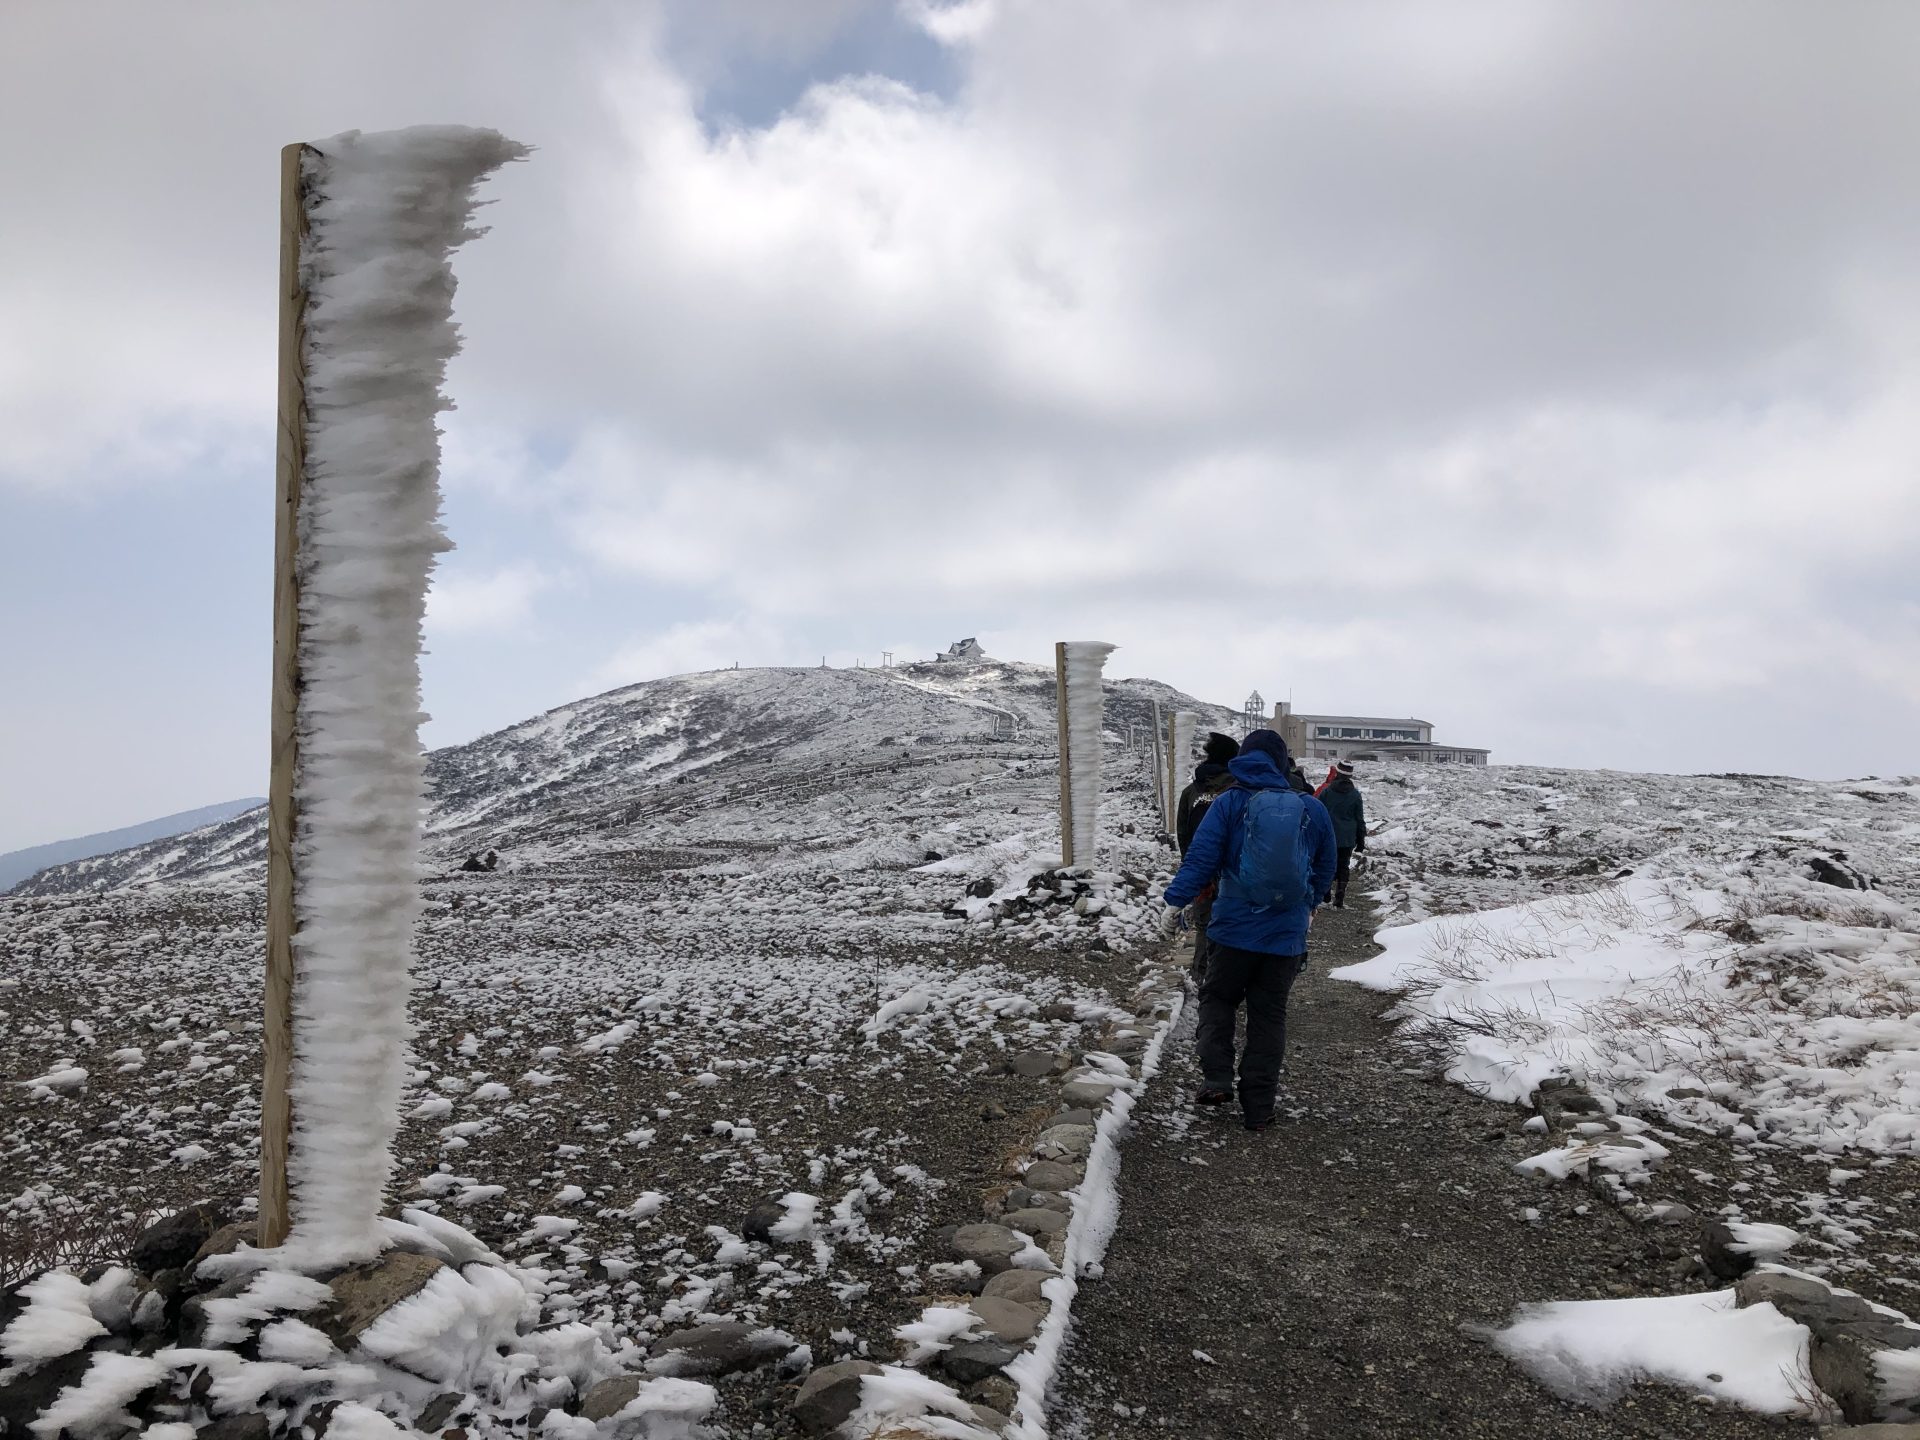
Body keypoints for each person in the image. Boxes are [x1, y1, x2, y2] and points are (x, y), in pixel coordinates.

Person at [1159, 729, 1336, 1131]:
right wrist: (1308, 903)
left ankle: (1217, 1077)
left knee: (1219, 998)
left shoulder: (1229, 803)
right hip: (1286, 934)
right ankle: (1259, 1107)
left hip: (1233, 928)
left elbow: (1201, 859)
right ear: (1279, 762)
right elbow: (1325, 866)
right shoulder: (1312, 808)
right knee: (1268, 1015)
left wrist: (1175, 900)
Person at [1174, 733, 1240, 983]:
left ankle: (1201, 979)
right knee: (1231, 926)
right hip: (1233, 873)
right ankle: (1226, 980)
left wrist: (1192, 872)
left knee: (1203, 927)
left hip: (1201, 874)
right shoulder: (1237, 790)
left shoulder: (1191, 791)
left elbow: (1182, 834)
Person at [1318, 760, 1366, 908]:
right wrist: (1361, 840)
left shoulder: (1326, 792)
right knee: (1343, 866)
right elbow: (1359, 819)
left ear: (1337, 773)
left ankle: (1326, 893)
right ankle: (1340, 896)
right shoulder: (1355, 795)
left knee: (1327, 864)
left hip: (1329, 837)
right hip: (1347, 838)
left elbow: (1318, 813)